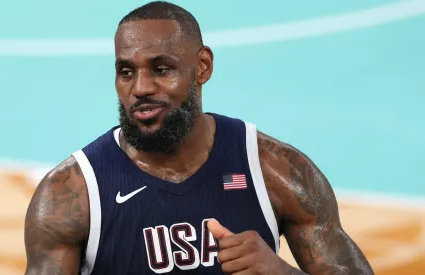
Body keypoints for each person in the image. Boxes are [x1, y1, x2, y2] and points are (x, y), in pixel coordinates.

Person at [24, 1, 374, 274]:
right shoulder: (70, 194)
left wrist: (281, 273)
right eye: (126, 72)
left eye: (161, 69)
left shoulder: (274, 170)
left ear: (202, 66)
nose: (141, 88)